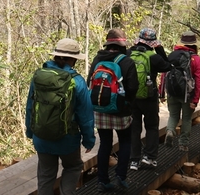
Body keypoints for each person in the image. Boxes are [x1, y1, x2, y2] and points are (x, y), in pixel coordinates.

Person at [26, 38, 96, 195]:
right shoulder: (76, 81)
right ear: (73, 59)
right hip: (67, 138)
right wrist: (89, 139)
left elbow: (30, 107)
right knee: (73, 167)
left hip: (41, 136)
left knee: (45, 174)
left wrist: (30, 131)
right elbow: (85, 114)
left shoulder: (39, 76)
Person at [87, 29, 138, 192]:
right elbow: (132, 88)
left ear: (108, 44)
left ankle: (102, 180)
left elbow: (90, 82)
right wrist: (127, 103)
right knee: (125, 142)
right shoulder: (127, 62)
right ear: (122, 45)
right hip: (121, 111)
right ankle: (121, 177)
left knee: (105, 144)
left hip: (100, 109)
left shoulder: (97, 60)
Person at [127, 27, 171, 170]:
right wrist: (160, 49)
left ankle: (134, 160)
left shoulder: (128, 54)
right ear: (152, 43)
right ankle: (149, 157)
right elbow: (168, 66)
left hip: (132, 97)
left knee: (135, 128)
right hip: (149, 97)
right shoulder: (154, 57)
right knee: (151, 126)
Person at [161, 31, 200, 152]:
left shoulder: (173, 55)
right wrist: (195, 100)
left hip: (172, 92)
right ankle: (183, 144)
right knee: (186, 118)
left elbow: (164, 75)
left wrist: (162, 93)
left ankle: (169, 131)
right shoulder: (196, 59)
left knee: (173, 115)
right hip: (188, 95)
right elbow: (198, 81)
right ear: (194, 44)